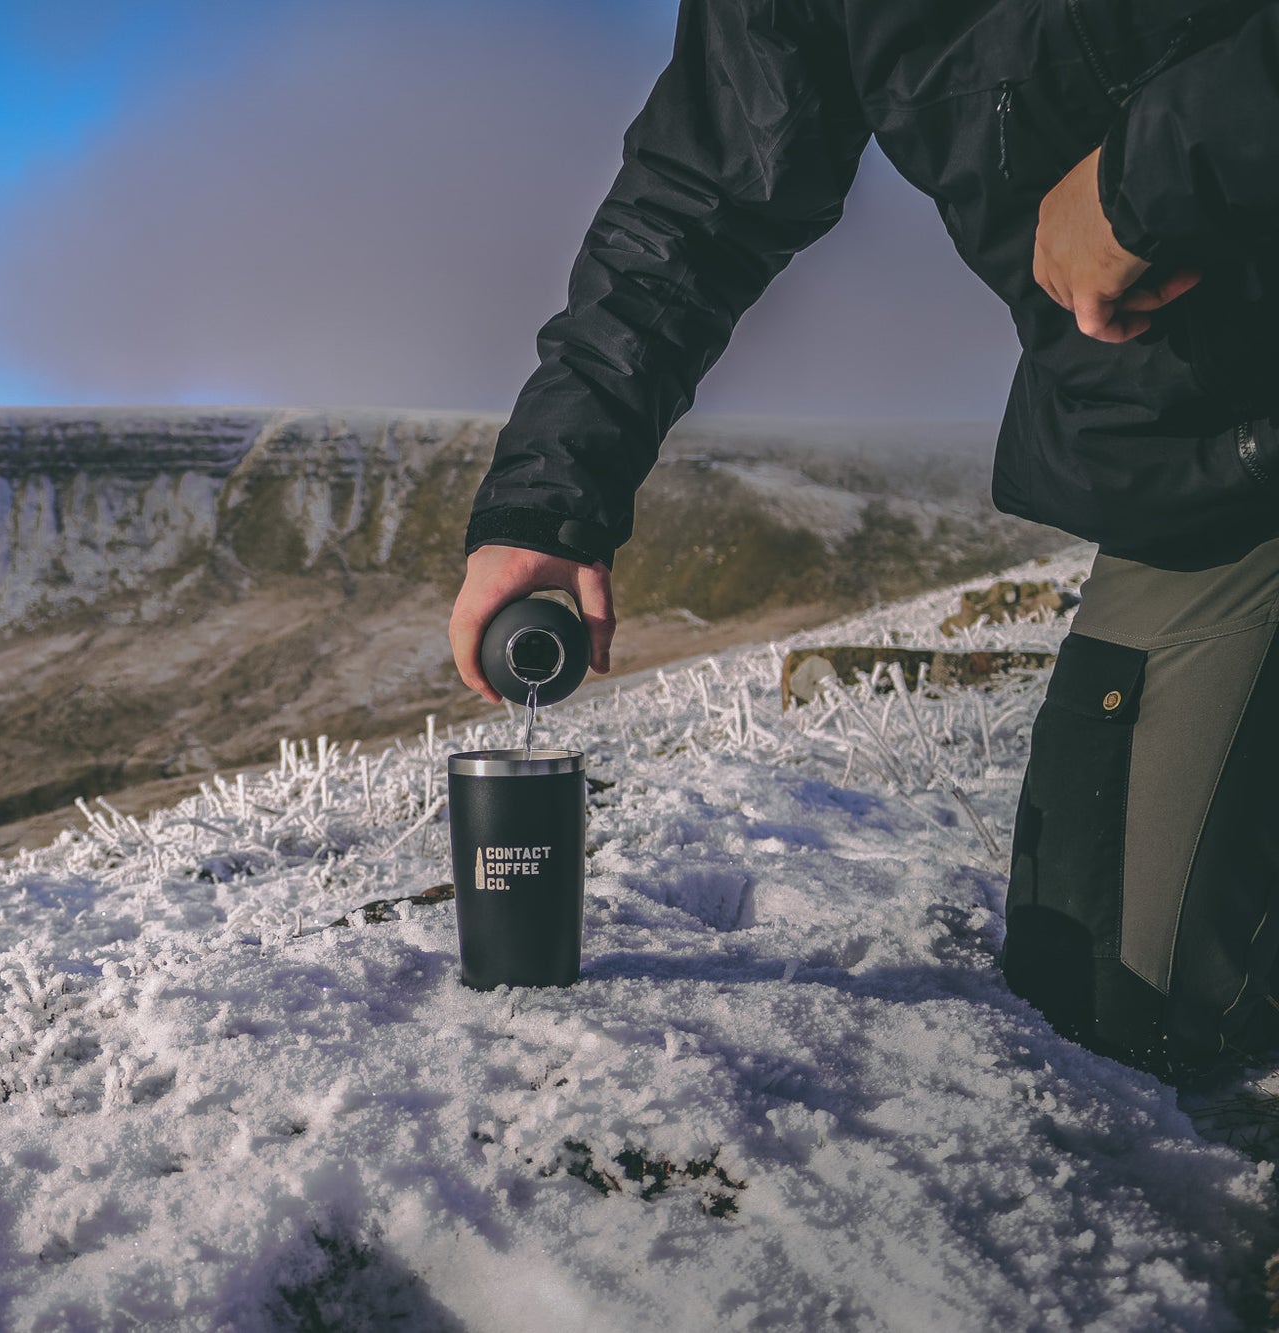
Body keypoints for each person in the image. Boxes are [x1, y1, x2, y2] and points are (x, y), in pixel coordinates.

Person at [448, 0, 1279, 1084]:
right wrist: (545, 502)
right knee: (1106, 1018)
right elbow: (696, 205)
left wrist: (1153, 168)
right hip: (1213, 475)